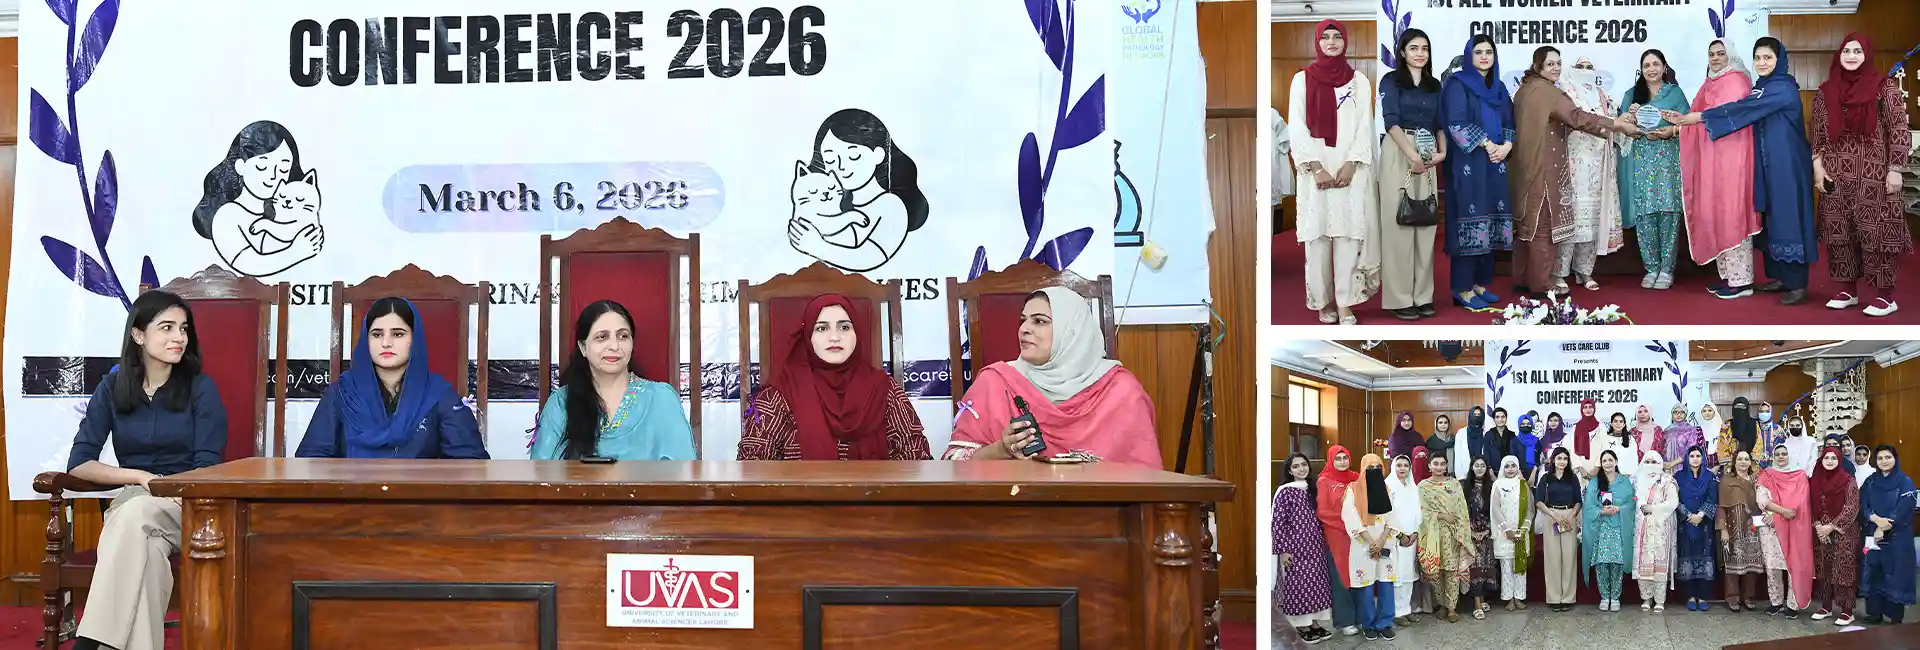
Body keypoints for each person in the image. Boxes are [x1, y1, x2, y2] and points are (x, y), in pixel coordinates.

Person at [65, 292, 227, 650]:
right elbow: (80, 462)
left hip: (191, 505)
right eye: (166, 328)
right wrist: (140, 478)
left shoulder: (200, 388)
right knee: (149, 555)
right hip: (137, 506)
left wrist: (166, 489)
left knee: (134, 512)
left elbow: (208, 464)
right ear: (138, 335)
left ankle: (90, 641)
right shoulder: (112, 388)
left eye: (183, 328)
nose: (179, 337)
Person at [1668, 38, 1817, 306]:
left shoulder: (1782, 88)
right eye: (1758, 58)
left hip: (1787, 165)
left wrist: (1699, 117)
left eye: (1768, 58)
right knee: (1771, 220)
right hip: (1766, 162)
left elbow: (1744, 109)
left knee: (1788, 219)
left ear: (1779, 60)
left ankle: (1797, 284)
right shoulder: (1761, 87)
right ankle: (1781, 277)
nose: (1762, 63)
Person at [946, 288, 1161, 468]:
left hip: (1103, 506)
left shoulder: (1121, 391)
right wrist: (1001, 450)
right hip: (1015, 504)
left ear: (1072, 331)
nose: (1024, 329)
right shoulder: (996, 382)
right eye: (1023, 321)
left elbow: (1148, 482)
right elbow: (954, 465)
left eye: (1039, 321)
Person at [1510, 46, 1641, 296]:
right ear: (1537, 66)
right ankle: (1540, 284)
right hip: (1544, 167)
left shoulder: (1524, 89)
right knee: (1543, 227)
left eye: (1558, 63)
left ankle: (1522, 278)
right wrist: (1616, 125)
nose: (1556, 68)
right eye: (1550, 64)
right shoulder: (1549, 92)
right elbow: (1578, 117)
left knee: (1527, 225)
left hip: (1524, 167)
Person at [741, 295, 930, 461]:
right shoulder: (780, 393)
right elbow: (753, 466)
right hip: (800, 492)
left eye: (844, 327)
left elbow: (916, 456)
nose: (834, 337)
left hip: (876, 491)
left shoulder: (883, 388)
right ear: (808, 336)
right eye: (822, 328)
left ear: (857, 334)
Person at [296, 298, 487, 459]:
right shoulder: (342, 392)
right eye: (377, 334)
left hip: (420, 492)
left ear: (415, 339)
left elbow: (471, 464)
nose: (386, 343)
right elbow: (312, 459)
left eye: (398, 334)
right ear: (366, 340)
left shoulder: (438, 394)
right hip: (349, 492)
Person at [1812, 33, 1911, 316]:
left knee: (1878, 234)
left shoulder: (1884, 88)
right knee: (1839, 233)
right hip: (1836, 174)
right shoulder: (1826, 91)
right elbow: (1817, 133)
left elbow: (1899, 130)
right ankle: (1848, 290)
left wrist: (1895, 170)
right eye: (1846, 51)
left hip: (1875, 175)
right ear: (1839, 55)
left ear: (1866, 54)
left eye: (1857, 51)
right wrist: (1818, 169)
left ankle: (1885, 297)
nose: (1852, 56)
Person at [1289, 19, 1379, 325]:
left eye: (1336, 36)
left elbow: (1365, 126)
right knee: (1317, 240)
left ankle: (1344, 302)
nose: (1331, 42)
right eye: (1325, 37)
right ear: (1317, 42)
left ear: (1345, 42)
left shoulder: (1359, 81)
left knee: (1349, 238)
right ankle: (1322, 301)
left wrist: (1351, 163)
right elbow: (1296, 127)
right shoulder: (1301, 80)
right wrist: (1316, 167)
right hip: (1315, 170)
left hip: (1350, 169)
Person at [531, 301, 696, 461]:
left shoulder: (661, 399)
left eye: (623, 336)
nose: (614, 346)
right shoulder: (560, 404)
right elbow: (541, 474)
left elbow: (683, 473)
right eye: (602, 337)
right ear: (583, 347)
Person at [1682, 39, 1761, 298]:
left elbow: (1725, 116)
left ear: (1731, 56)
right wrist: (1678, 124)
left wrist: (1693, 119)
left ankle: (1742, 281)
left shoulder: (1737, 82)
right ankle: (1727, 277)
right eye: (1711, 54)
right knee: (1717, 212)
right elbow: (1694, 117)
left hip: (1734, 158)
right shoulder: (1709, 83)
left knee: (1733, 213)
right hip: (1712, 159)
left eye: (1720, 53)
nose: (1715, 58)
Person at [1441, 35, 1515, 309]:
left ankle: (1479, 284)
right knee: (1469, 222)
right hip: (1469, 162)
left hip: (1496, 163)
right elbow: (1455, 123)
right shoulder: (1457, 84)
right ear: (1469, 56)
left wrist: (1506, 146)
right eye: (1478, 52)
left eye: (1489, 52)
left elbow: (1510, 120)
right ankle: (1462, 288)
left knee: (1491, 221)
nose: (1484, 57)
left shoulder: (1499, 87)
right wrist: (1488, 144)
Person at [1378, 28, 1445, 320]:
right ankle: (1400, 297)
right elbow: (1391, 121)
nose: (1420, 53)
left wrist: (1442, 153)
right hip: (1399, 149)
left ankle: (1423, 296)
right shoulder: (1391, 81)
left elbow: (1440, 123)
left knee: (1425, 224)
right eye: (1414, 48)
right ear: (1402, 52)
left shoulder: (1434, 85)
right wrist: (1412, 155)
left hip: (1428, 152)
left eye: (1425, 49)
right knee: (1399, 226)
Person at [1615, 49, 1690, 290]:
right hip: (1640, 162)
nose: (1651, 69)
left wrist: (1672, 130)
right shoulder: (1631, 95)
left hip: (1668, 161)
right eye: (1646, 65)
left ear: (1664, 67)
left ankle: (1667, 269)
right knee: (1645, 214)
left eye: (1656, 64)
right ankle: (1651, 268)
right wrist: (1630, 118)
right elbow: (1620, 128)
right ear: (1641, 70)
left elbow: (1689, 124)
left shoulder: (1674, 93)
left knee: (1668, 212)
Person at [1554, 58, 1624, 290]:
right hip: (1572, 166)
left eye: (1589, 68)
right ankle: (1559, 273)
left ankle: (1584, 271)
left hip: (1598, 167)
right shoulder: (1564, 93)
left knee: (1592, 220)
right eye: (1580, 67)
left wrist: (1628, 118)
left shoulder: (1603, 96)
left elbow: (1616, 126)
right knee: (1570, 219)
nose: (1584, 71)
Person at [1274, 453, 1334, 644]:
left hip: (1316, 546)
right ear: (1289, 471)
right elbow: (1278, 523)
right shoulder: (1285, 491)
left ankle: (1314, 622)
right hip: (1295, 548)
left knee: (1317, 585)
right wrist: (1283, 550)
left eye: (1304, 464)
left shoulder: (1314, 488)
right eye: (1296, 466)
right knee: (1299, 586)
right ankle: (1301, 625)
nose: (1301, 469)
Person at [1343, 454, 1400, 640]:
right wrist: (1371, 542)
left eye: (1378, 467)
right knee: (1365, 586)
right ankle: (1368, 624)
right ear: (1362, 469)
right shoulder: (1352, 489)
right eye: (1370, 468)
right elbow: (1350, 517)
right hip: (1362, 544)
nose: (1374, 471)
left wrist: (1382, 540)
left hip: (1385, 542)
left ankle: (1384, 623)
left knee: (1386, 584)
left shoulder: (1387, 489)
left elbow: (1392, 516)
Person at [1860, 445, 1916, 625]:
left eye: (1888, 457)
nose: (1884, 461)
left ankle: (1895, 617)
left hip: (1898, 537)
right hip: (1872, 534)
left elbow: (1904, 508)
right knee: (1872, 569)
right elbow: (1862, 504)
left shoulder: (1905, 482)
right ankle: (1874, 613)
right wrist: (1875, 519)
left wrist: (1884, 527)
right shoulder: (1870, 481)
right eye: (1880, 458)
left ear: (1895, 459)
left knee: (1895, 573)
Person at [1417, 453, 1475, 623]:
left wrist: (1462, 533)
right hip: (1431, 534)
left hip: (1452, 533)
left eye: (1442, 464)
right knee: (1435, 571)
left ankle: (1451, 607)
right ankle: (1441, 604)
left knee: (1451, 571)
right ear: (1429, 466)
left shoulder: (1454, 484)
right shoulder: (1423, 486)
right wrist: (1441, 515)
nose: (1439, 467)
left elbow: (1462, 509)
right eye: (1435, 463)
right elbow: (1420, 511)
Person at [1757, 444, 1814, 616]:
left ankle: (1792, 605)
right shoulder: (1766, 474)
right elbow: (1762, 500)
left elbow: (1802, 501)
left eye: (1784, 454)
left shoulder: (1800, 475)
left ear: (1790, 456)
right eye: (1778, 454)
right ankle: (1775, 602)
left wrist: (1784, 514)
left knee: (1794, 565)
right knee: (1772, 566)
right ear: (1773, 457)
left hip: (1794, 525)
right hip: (1771, 526)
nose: (1781, 457)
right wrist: (1779, 513)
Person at [1809, 447, 1861, 624]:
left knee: (1843, 571)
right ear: (1821, 460)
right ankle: (1826, 606)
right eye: (1826, 458)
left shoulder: (1848, 480)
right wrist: (1818, 526)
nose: (1830, 461)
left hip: (1843, 533)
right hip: (1820, 532)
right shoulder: (1814, 480)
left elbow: (1852, 507)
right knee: (1824, 570)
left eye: (1834, 458)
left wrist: (1831, 527)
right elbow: (1809, 504)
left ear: (1839, 461)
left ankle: (1847, 611)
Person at [1582, 449, 1638, 612]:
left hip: (1619, 527)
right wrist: (1601, 511)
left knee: (1616, 563)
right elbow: (1588, 506)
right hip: (1601, 528)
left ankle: (1615, 597)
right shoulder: (1595, 482)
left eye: (1610, 460)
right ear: (1601, 463)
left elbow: (1632, 501)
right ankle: (1605, 596)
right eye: (1604, 461)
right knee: (1601, 563)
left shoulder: (1624, 481)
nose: (1607, 463)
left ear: (1616, 462)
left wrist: (1620, 508)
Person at [1316, 445, 1364, 636]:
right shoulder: (1324, 481)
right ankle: (1345, 621)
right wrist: (1348, 524)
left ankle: (1360, 617)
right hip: (1337, 534)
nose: (1342, 462)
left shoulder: (1356, 477)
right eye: (1338, 458)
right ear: (1331, 460)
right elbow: (1323, 511)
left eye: (1345, 458)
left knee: (1359, 573)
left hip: (1359, 533)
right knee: (1341, 576)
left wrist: (1359, 525)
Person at [1533, 447, 1583, 611]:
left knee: (1569, 558)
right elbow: (1539, 501)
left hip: (1569, 517)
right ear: (1553, 460)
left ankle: (1568, 597)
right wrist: (1554, 515)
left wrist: (1571, 515)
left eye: (1565, 458)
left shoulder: (1572, 478)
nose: (1562, 461)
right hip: (1551, 516)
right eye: (1559, 458)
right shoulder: (1546, 478)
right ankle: (1554, 598)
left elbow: (1578, 501)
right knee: (1552, 558)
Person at [1718, 449, 1767, 612]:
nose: (1743, 462)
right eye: (1740, 459)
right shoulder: (1726, 481)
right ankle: (1733, 598)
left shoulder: (1756, 481)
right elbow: (1721, 507)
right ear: (1734, 462)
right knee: (1732, 564)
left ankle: (1749, 597)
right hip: (1733, 529)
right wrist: (1723, 529)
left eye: (1746, 459)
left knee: (1752, 564)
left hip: (1753, 528)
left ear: (1750, 463)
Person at [1673, 446, 1719, 611]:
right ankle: (1690, 596)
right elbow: (1675, 499)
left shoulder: (1709, 476)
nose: (1695, 459)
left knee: (1705, 556)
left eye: (1698, 456)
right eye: (1691, 456)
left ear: (1702, 458)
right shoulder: (1678, 477)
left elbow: (1712, 498)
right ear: (1687, 458)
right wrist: (1688, 515)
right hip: (1685, 524)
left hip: (1704, 524)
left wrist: (1700, 515)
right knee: (1687, 556)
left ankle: (1703, 595)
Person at [1633, 450, 1677, 611]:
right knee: (1644, 563)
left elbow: (1673, 502)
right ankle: (1646, 598)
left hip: (1661, 528)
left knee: (1659, 564)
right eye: (1647, 462)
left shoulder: (1667, 481)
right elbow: (1632, 501)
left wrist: (1653, 508)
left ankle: (1659, 600)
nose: (1650, 465)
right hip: (1642, 528)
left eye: (1654, 462)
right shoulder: (1636, 481)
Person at [1490, 455, 1532, 611]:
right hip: (1504, 533)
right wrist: (1507, 530)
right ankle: (1509, 599)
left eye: (1513, 466)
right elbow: (1495, 508)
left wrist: (1524, 529)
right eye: (1507, 466)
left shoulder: (1523, 485)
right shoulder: (1498, 484)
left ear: (1518, 468)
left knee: (1520, 566)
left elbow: (1530, 509)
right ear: (1502, 468)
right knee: (1506, 567)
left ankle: (1519, 597)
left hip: (1521, 532)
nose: (1510, 469)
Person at [1387, 455, 1425, 623]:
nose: (1402, 468)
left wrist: (1415, 532)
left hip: (1412, 537)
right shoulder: (1388, 486)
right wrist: (1400, 535)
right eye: (1399, 465)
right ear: (1393, 467)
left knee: (1409, 575)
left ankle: (1406, 608)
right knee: (1398, 576)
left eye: (1405, 465)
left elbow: (1418, 512)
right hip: (1396, 538)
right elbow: (1387, 514)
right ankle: (1396, 612)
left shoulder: (1412, 486)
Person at [1461, 456, 1499, 619]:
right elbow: (1461, 512)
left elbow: (1496, 511)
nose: (1479, 468)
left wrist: (1487, 530)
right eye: (1476, 465)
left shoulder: (1492, 487)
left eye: (1482, 465)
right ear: (1471, 467)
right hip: (1470, 534)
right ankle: (1476, 605)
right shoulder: (1464, 486)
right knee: (1475, 569)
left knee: (1486, 568)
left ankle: (1482, 598)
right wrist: (1470, 532)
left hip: (1488, 533)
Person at [1582, 411, 1637, 478]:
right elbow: (1601, 454)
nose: (1618, 424)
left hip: (1626, 475)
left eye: (1621, 421)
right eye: (1615, 421)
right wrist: (1595, 469)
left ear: (1624, 424)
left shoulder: (1630, 439)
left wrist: (1629, 473)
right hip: (1609, 474)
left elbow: (1634, 458)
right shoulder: (1606, 438)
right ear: (1611, 424)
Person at [1721, 397, 1766, 470]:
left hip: (1751, 465)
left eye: (1742, 407)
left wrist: (1751, 461)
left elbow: (1759, 443)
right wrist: (1730, 463)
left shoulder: (1754, 424)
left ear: (1747, 409)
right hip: (1731, 466)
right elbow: (1722, 445)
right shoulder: (1727, 425)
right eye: (1737, 407)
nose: (1740, 409)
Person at [1664, 404, 1704, 473]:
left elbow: (1690, 449)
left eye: (1682, 412)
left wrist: (1673, 463)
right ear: (1672, 414)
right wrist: (1666, 464)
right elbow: (1663, 449)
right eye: (1675, 412)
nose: (1678, 414)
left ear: (1685, 414)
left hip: (1683, 466)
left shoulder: (1690, 429)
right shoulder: (1667, 430)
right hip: (1667, 467)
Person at [1452, 407, 1488, 480]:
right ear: (1470, 415)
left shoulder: (1486, 433)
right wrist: (1460, 476)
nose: (1476, 417)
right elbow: (1457, 456)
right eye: (1474, 414)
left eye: (1479, 415)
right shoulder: (1461, 433)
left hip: (1482, 474)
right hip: (1464, 475)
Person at [1571, 399, 1601, 470]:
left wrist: (1597, 466)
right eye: (1585, 407)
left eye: (1590, 407)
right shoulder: (1575, 427)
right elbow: (1573, 449)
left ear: (1594, 409)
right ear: (1581, 409)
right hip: (1580, 468)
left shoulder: (1600, 427)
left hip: (1597, 467)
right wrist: (1579, 467)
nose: (1588, 410)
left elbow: (1603, 447)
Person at [1511, 413, 1543, 478]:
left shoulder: (1536, 440)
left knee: (1533, 485)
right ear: (1519, 425)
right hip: (1519, 475)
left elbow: (1538, 458)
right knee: (1522, 485)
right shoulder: (1514, 441)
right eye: (1523, 424)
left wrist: (1533, 474)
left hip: (1535, 474)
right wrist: (1520, 476)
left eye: (1528, 424)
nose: (1526, 426)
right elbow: (1513, 459)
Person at [1697, 403, 1726, 469]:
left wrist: (1717, 467)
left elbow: (1726, 449)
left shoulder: (1723, 429)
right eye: (1704, 411)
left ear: (1714, 411)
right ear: (1701, 413)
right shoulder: (1697, 430)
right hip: (1701, 467)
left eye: (1710, 410)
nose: (1707, 413)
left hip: (1721, 466)